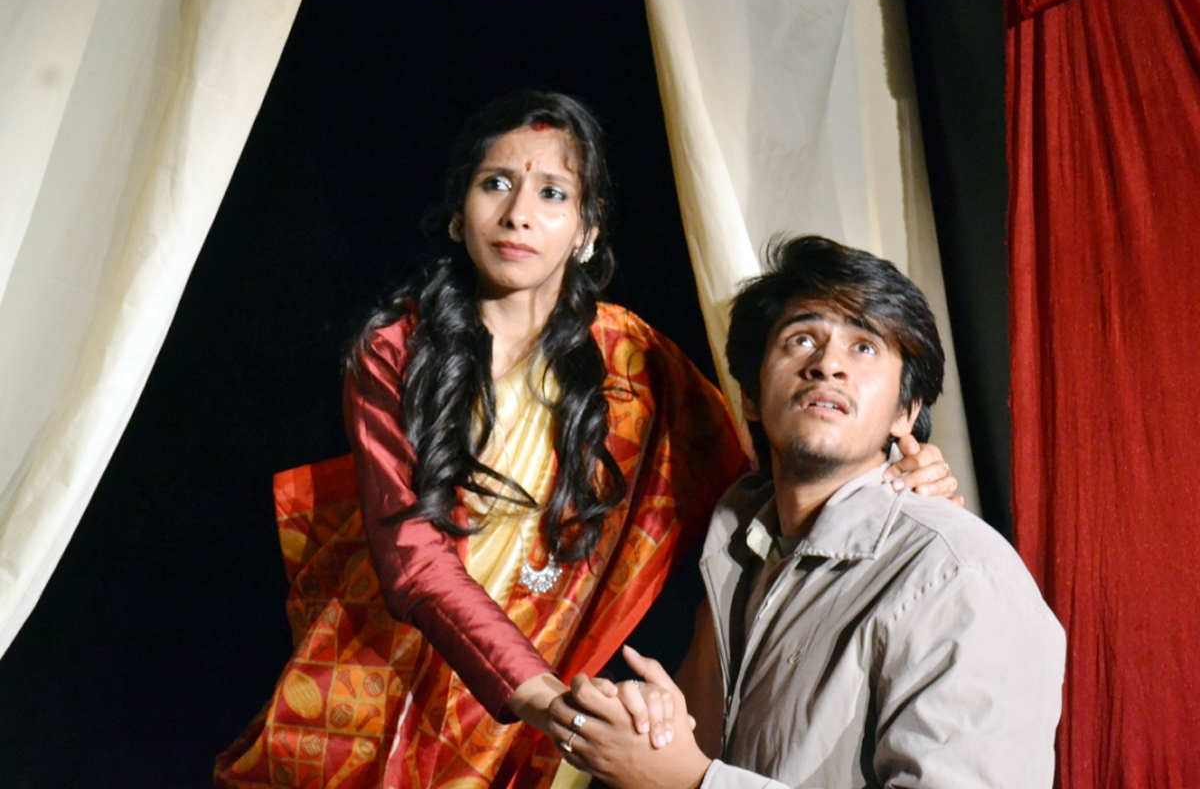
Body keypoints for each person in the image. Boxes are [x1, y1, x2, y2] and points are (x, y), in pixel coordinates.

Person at [214, 96, 957, 789]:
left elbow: (758, 480)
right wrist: (540, 697)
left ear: (586, 230)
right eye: (495, 184)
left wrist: (893, 474)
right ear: (458, 215)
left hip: (541, 709)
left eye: (552, 194)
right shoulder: (397, 350)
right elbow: (411, 557)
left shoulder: (632, 359)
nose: (518, 214)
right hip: (382, 674)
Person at [553, 236, 1066, 788]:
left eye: (864, 347)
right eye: (801, 339)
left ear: (906, 411)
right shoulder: (737, 553)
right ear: (750, 397)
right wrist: (643, 728)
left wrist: (692, 782)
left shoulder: (960, 577)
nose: (827, 365)